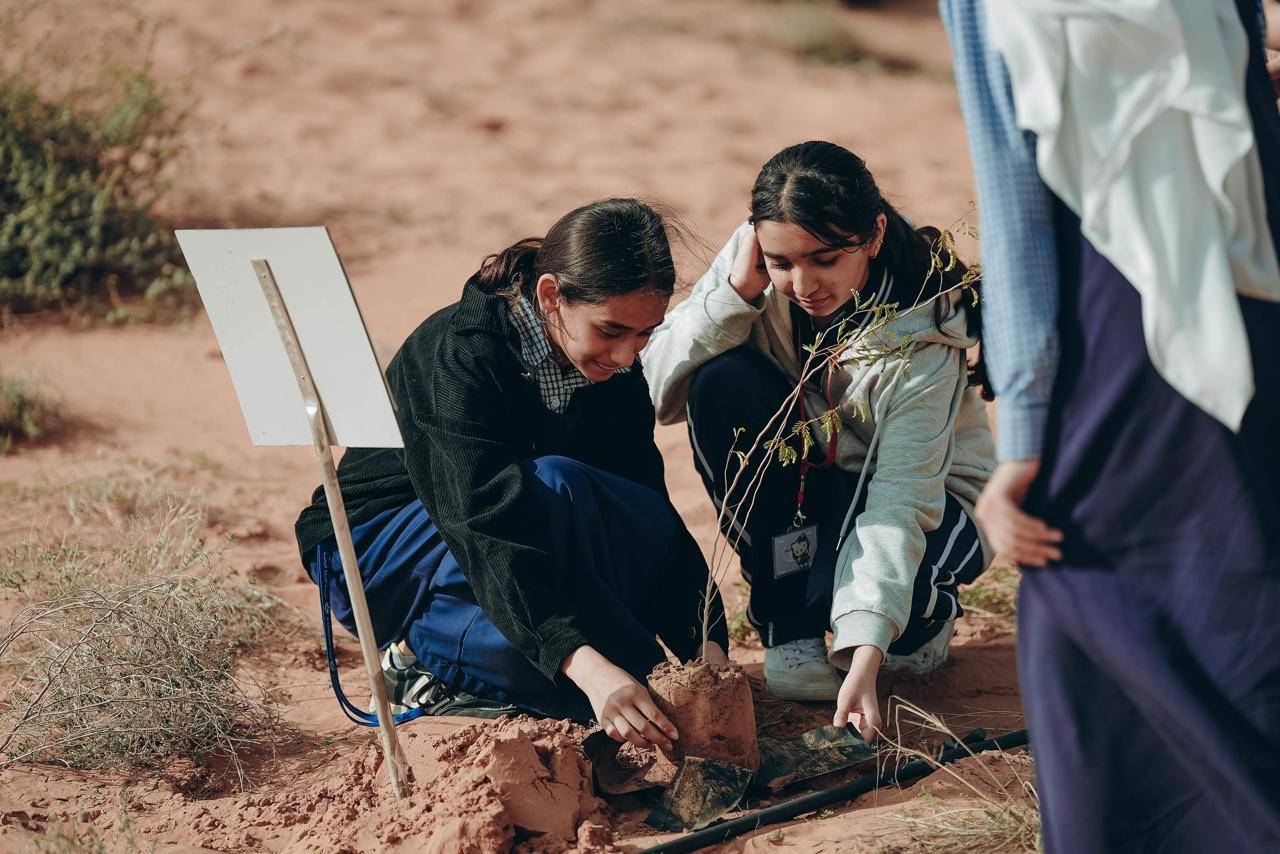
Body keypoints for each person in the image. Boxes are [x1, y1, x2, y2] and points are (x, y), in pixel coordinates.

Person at [942, 0, 1280, 849]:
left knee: (1094, 611)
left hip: (1111, 325)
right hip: (1252, 292)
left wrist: (1019, 431)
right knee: (1243, 603)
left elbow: (1014, 204)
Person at [293, 198, 729, 754]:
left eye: (645, 335)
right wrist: (590, 667)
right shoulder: (457, 355)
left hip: (522, 526)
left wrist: (705, 642)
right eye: (611, 330)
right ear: (551, 296)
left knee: (585, 512)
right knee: (556, 504)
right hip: (375, 545)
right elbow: (483, 524)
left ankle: (488, 648)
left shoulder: (614, 367)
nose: (626, 355)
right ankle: (417, 655)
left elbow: (647, 511)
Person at [641, 141, 996, 735]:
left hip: (934, 502)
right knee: (721, 380)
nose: (802, 283)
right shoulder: (753, 266)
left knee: (894, 634)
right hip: (812, 484)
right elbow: (649, 394)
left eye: (826, 259)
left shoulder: (924, 338)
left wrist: (866, 653)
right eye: (781, 262)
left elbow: (900, 504)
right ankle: (789, 624)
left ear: (875, 234)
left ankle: (922, 621)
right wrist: (732, 298)